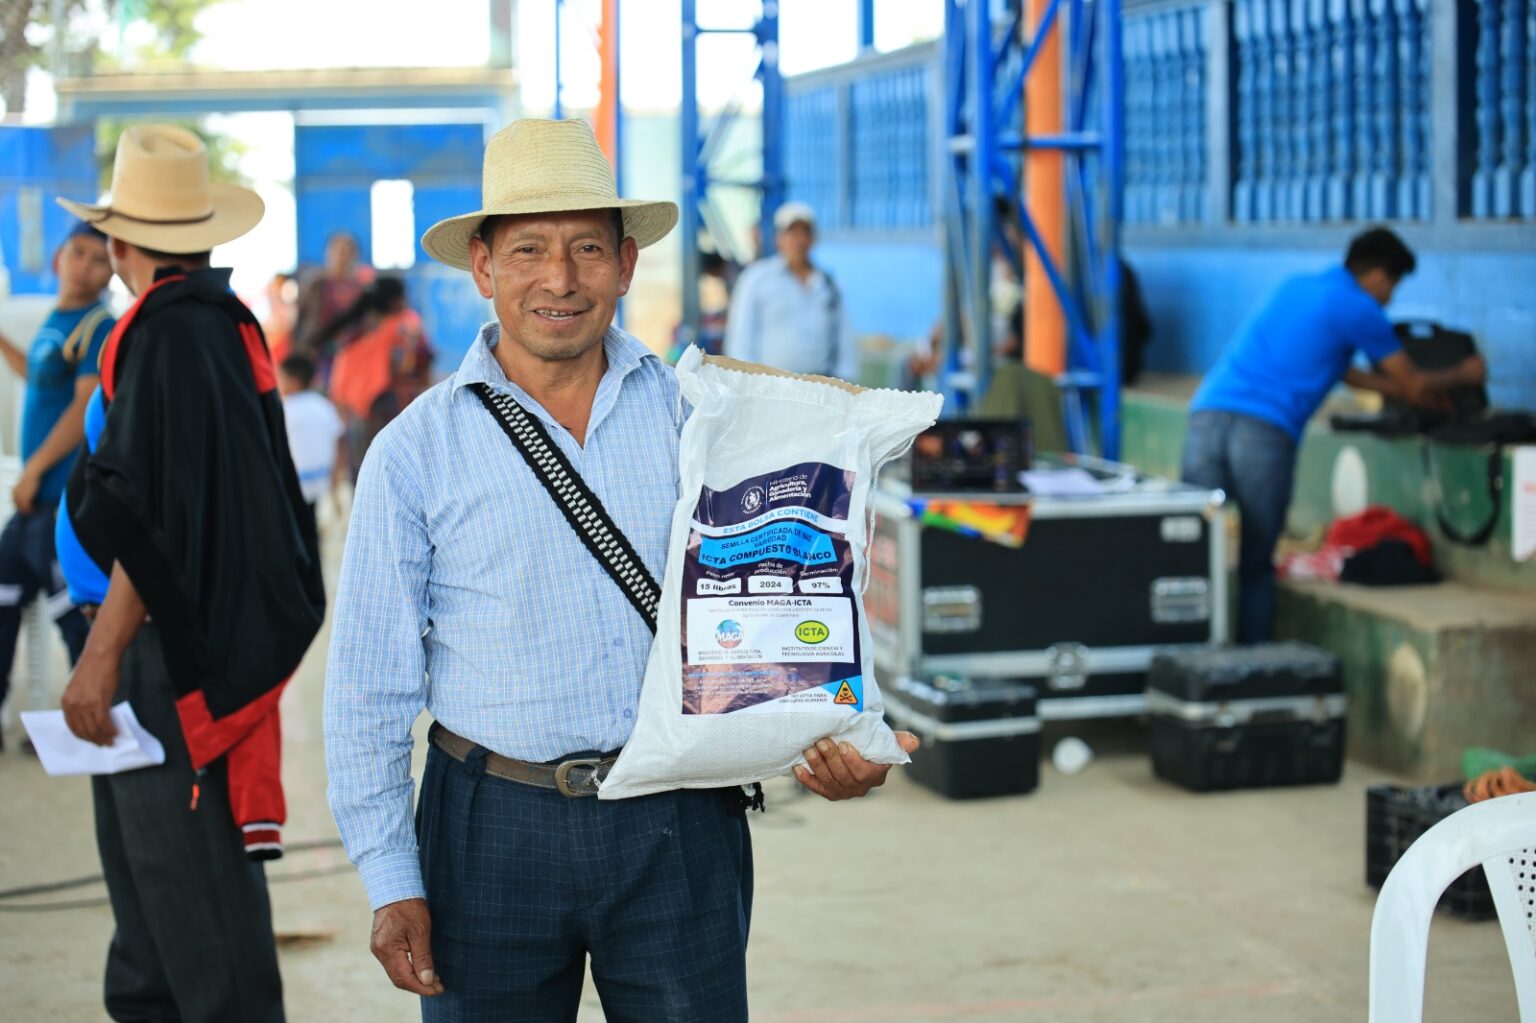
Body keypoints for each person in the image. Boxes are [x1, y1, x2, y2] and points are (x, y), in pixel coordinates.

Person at [324, 118, 919, 1023]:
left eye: (588, 249)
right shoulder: (414, 452)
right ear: (483, 267)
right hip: (489, 830)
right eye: (528, 249)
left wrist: (830, 736)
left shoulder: (701, 420)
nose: (560, 279)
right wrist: (388, 875)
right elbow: (368, 685)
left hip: (679, 824)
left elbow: (780, 598)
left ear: (628, 263)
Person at [54, 123, 326, 1023]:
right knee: (151, 905)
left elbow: (158, 514)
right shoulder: (199, 325)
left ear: (120, 244)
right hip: (149, 644)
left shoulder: (174, 332)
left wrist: (100, 657)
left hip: (154, 652)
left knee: (194, 904)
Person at [1181, 227, 1485, 643]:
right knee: (1256, 559)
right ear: (1377, 275)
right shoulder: (1359, 307)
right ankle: (1251, 660)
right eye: (1392, 287)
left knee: (1190, 550)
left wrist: (1408, 392)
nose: (1389, 299)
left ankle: (1186, 651)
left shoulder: (1297, 286)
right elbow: (1413, 383)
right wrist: (1463, 374)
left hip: (1206, 415)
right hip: (1263, 431)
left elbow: (1346, 373)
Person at [0, 221, 113, 746]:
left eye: (99, 258)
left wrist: (34, 470)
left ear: (113, 269)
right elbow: (43, 377)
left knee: (73, 619)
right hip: (34, 505)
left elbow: (82, 406)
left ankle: (89, 723)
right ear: (58, 258)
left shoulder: (97, 325)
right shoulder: (57, 319)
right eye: (78, 253)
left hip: (59, 501)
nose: (85, 266)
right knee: (5, 599)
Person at [724, 201, 858, 381]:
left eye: (805, 233)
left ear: (813, 239)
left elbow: (844, 335)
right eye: (793, 233)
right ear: (779, 238)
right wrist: (744, 381)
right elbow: (741, 336)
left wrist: (844, 378)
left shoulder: (829, 284)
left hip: (819, 386)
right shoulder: (757, 279)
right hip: (771, 385)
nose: (799, 241)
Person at [325, 275, 434, 473]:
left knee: (366, 473)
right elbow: (425, 361)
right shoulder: (407, 326)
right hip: (398, 407)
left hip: (360, 414)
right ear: (396, 301)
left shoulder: (354, 336)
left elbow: (340, 383)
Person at [278, 354, 347, 534]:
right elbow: (339, 439)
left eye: (281, 378)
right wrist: (337, 473)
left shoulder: (285, 409)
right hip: (322, 481)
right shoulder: (324, 406)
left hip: (294, 483)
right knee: (313, 528)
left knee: (297, 528)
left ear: (294, 380)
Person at [293, 229, 369, 360]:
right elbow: (299, 317)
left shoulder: (362, 288)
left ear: (356, 255)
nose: (342, 256)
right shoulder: (314, 283)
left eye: (348, 250)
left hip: (352, 353)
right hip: (317, 351)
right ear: (328, 252)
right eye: (338, 250)